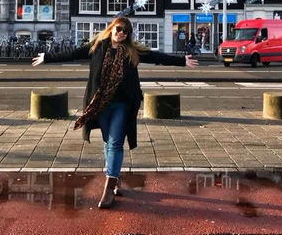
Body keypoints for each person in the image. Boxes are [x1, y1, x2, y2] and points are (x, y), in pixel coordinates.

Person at [31, 16, 198, 209]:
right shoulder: (97, 46)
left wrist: (181, 61)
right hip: (100, 104)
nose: (121, 33)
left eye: (125, 31)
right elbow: (72, 53)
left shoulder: (132, 52)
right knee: (107, 141)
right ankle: (115, 175)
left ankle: (109, 187)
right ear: (111, 28)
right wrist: (47, 57)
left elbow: (157, 57)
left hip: (123, 104)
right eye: (118, 29)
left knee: (115, 142)